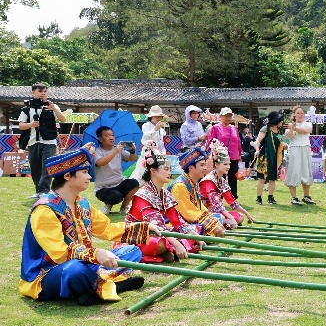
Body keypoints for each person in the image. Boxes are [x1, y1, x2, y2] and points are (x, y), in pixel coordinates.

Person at [19, 146, 153, 305]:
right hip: (49, 272)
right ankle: (113, 285)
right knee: (75, 270)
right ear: (67, 176)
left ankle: (90, 289)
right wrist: (96, 254)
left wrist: (144, 228)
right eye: (84, 172)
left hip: (86, 262)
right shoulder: (45, 209)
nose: (89, 176)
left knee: (132, 251)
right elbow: (60, 253)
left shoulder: (82, 203)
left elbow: (107, 229)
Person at [126, 148, 200, 262]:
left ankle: (169, 251)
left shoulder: (165, 193)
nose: (169, 173)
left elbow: (177, 221)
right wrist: (177, 244)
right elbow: (157, 226)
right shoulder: (143, 195)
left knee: (194, 229)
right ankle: (169, 250)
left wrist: (197, 237)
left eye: (170, 169)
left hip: (158, 231)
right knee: (158, 243)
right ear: (153, 171)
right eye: (166, 169)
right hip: (137, 234)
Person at [17, 82, 67, 198]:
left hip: (49, 142)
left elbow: (63, 120)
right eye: (40, 91)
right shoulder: (27, 108)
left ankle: (44, 191)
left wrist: (54, 109)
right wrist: (31, 124)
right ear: (33, 92)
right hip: (32, 142)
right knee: (35, 168)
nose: (43, 93)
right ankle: (39, 191)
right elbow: (21, 126)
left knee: (47, 167)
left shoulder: (52, 106)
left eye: (45, 91)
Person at [169, 145, 226, 236]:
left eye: (205, 165)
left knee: (220, 219)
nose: (205, 168)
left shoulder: (192, 183)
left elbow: (199, 207)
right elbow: (188, 213)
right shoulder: (179, 186)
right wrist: (211, 225)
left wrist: (213, 221)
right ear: (191, 168)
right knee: (203, 229)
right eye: (202, 165)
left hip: (188, 218)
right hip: (174, 223)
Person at [200, 140, 254, 228]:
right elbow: (217, 205)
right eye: (225, 164)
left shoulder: (222, 180)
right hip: (204, 212)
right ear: (216, 164)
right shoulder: (209, 180)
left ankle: (225, 223)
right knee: (223, 218)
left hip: (216, 212)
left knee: (240, 217)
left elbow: (232, 202)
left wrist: (246, 213)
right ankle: (223, 224)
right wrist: (230, 218)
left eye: (229, 164)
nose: (228, 167)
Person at [92, 125, 139, 215]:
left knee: (134, 183)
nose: (111, 138)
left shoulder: (118, 149)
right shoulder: (97, 151)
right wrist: (115, 151)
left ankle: (124, 207)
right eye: (107, 136)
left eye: (112, 135)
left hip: (119, 184)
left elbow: (132, 158)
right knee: (116, 196)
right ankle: (108, 205)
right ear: (100, 139)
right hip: (103, 188)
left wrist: (132, 151)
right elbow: (100, 162)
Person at [206, 107, 243, 199]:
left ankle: (233, 197)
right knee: (220, 177)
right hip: (220, 157)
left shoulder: (234, 128)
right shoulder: (215, 128)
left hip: (233, 156)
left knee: (233, 177)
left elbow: (238, 141)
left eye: (229, 116)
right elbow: (210, 142)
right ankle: (218, 197)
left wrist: (239, 153)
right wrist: (213, 151)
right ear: (221, 117)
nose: (228, 118)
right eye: (226, 116)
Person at [283, 105, 315, 206]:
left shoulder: (308, 124)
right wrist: (292, 128)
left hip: (305, 148)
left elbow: (306, 131)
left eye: (302, 113)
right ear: (294, 115)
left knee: (306, 171)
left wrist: (294, 127)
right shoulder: (289, 126)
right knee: (294, 172)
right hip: (295, 149)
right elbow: (290, 136)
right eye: (298, 113)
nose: (300, 115)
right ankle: (294, 197)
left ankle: (306, 196)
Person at [253, 111, 286, 205]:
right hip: (264, 157)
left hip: (274, 158)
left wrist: (284, 146)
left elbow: (282, 142)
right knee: (262, 178)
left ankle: (270, 197)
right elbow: (257, 141)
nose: (281, 122)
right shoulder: (265, 129)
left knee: (272, 179)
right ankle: (259, 198)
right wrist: (257, 150)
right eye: (280, 120)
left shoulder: (279, 131)